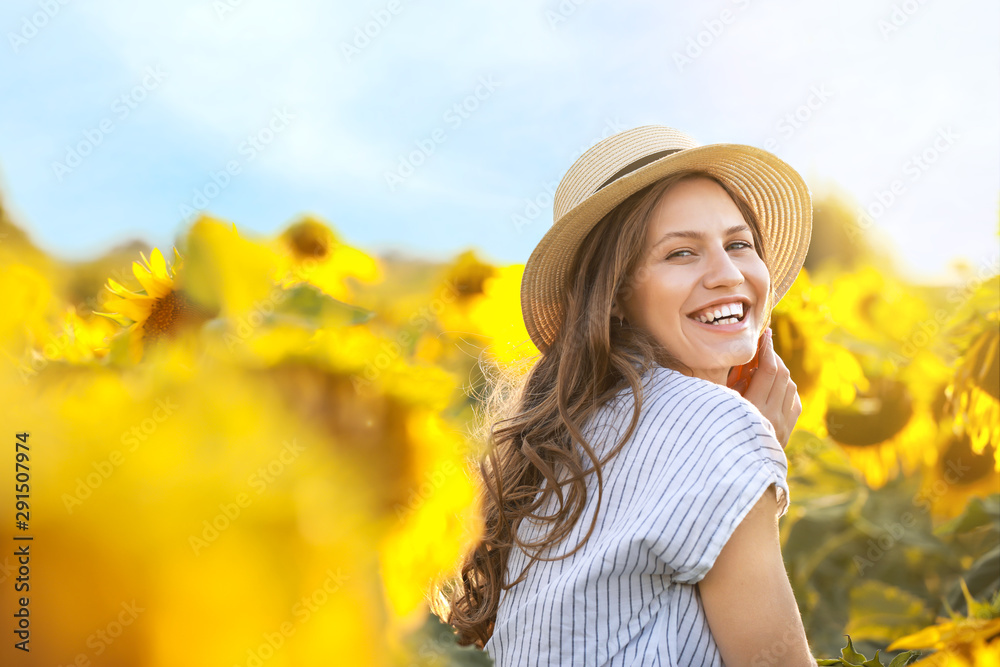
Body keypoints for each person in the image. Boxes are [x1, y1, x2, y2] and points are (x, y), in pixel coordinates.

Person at [444, 125, 818, 666]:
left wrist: (746, 464)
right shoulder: (716, 429)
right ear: (615, 294)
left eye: (739, 244)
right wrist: (745, 449)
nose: (727, 273)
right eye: (682, 254)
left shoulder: (567, 436)